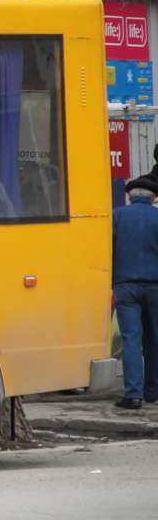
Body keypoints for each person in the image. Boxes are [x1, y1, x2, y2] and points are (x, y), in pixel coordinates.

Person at [111, 174, 158, 409]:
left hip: (125, 285)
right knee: (155, 338)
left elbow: (108, 249)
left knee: (131, 339)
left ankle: (133, 395)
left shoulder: (117, 216)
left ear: (129, 196)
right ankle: (153, 391)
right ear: (154, 197)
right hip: (156, 286)